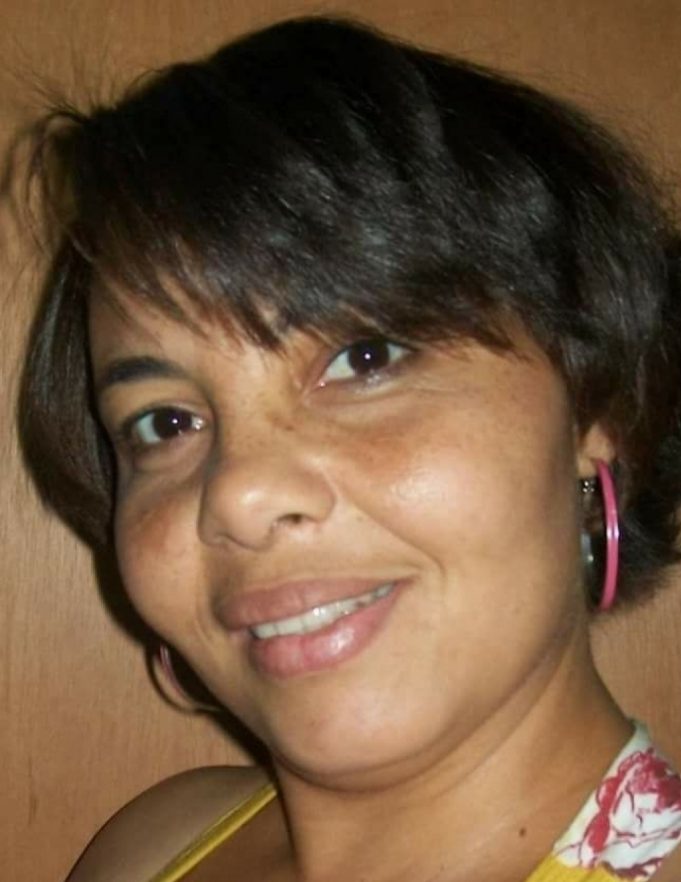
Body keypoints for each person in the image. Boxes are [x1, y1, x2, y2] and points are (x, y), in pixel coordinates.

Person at [19, 15, 681, 882]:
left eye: (364, 359)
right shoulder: (148, 848)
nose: (240, 494)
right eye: (164, 423)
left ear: (593, 407)